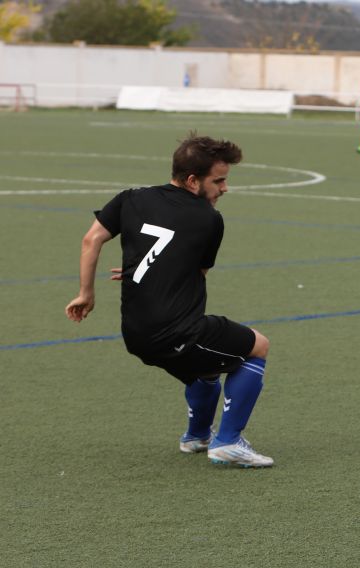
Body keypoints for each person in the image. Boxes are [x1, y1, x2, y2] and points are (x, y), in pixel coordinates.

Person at [65, 134, 274, 468]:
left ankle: (196, 437)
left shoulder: (130, 198)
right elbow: (198, 272)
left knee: (206, 371)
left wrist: (86, 293)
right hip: (178, 332)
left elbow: (92, 240)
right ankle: (228, 442)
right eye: (218, 181)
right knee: (258, 346)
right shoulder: (210, 220)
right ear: (192, 181)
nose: (224, 188)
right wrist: (159, 270)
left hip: (135, 336)